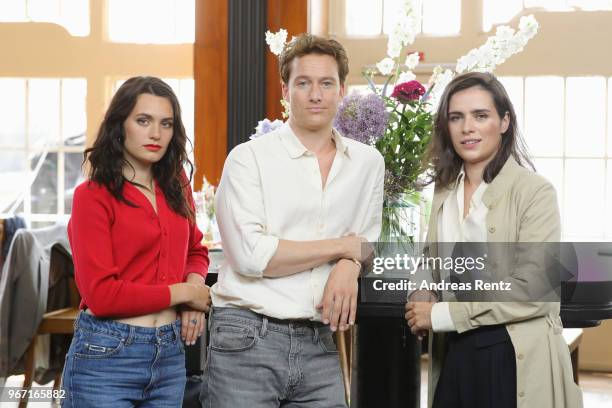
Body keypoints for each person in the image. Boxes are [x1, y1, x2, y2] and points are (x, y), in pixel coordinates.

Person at [201, 34, 384, 407]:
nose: (315, 94)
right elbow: (253, 256)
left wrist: (350, 263)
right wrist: (343, 246)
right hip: (247, 335)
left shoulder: (368, 163)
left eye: (326, 83)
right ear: (286, 90)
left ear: (342, 90)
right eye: (303, 83)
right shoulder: (247, 158)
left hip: (320, 340)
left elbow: (367, 242)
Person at [404, 72, 583, 408]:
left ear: (504, 122)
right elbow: (429, 258)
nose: (467, 127)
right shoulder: (445, 189)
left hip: (511, 354)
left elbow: (533, 292)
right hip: (455, 353)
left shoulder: (535, 192)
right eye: (456, 117)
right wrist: (423, 290)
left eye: (480, 116)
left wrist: (440, 315)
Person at [61, 76, 211, 407]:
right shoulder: (92, 196)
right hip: (105, 356)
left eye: (166, 123)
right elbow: (101, 295)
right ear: (121, 125)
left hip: (170, 357)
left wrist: (193, 293)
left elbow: (196, 250)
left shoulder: (176, 184)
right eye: (143, 121)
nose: (156, 133)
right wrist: (186, 293)